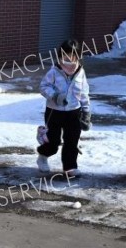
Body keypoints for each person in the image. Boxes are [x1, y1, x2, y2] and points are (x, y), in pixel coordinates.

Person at [37, 39, 91, 178]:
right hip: (54, 112)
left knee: (72, 141)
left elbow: (84, 91)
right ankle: (43, 155)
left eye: (72, 56)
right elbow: (43, 87)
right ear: (60, 56)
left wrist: (86, 111)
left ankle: (70, 167)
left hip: (74, 112)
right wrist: (55, 96)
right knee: (53, 142)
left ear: (78, 56)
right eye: (65, 56)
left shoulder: (80, 72)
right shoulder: (54, 71)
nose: (69, 60)